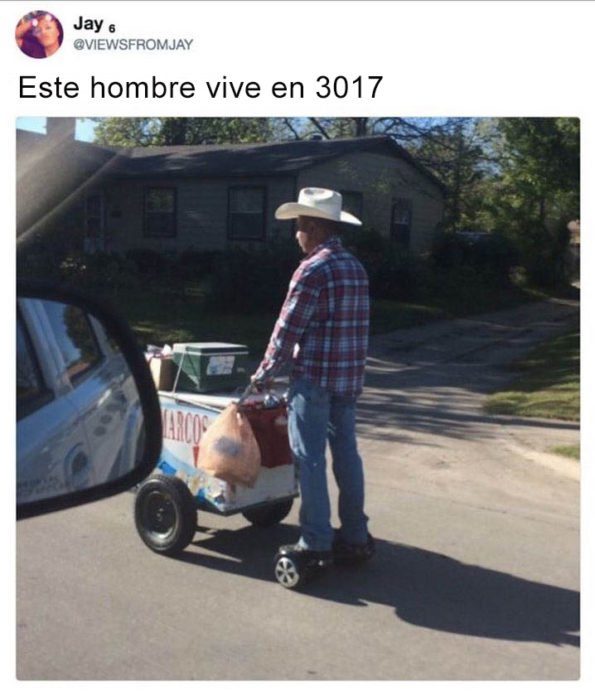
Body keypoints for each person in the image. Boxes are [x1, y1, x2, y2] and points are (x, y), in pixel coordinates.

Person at [252, 187, 374, 568]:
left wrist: (263, 375)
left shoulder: (312, 269)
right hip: (348, 379)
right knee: (347, 455)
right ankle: (355, 534)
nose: (297, 235)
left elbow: (287, 331)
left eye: (300, 227)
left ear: (316, 228)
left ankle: (316, 541)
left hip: (316, 380)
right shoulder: (355, 266)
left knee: (310, 461)